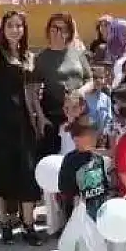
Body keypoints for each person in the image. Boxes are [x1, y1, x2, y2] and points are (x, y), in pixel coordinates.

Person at [0, 11, 44, 246]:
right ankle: (5, 223)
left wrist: (38, 117)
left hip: (23, 120)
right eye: (10, 26)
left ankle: (28, 224)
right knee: (0, 170)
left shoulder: (28, 55)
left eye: (19, 26)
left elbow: (32, 90)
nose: (15, 30)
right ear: (2, 29)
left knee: (26, 171)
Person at [34, 13, 93, 159]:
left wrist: (79, 92)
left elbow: (90, 80)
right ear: (48, 30)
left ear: (69, 32)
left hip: (79, 115)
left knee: (82, 156)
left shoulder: (78, 53)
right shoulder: (42, 58)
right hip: (54, 116)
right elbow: (33, 92)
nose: (59, 33)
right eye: (55, 28)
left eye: (63, 29)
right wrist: (41, 118)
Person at [58, 117, 111, 221]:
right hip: (78, 213)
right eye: (89, 135)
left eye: (94, 134)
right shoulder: (70, 160)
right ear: (76, 139)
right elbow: (64, 188)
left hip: (98, 211)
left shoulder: (98, 158)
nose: (94, 138)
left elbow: (103, 185)